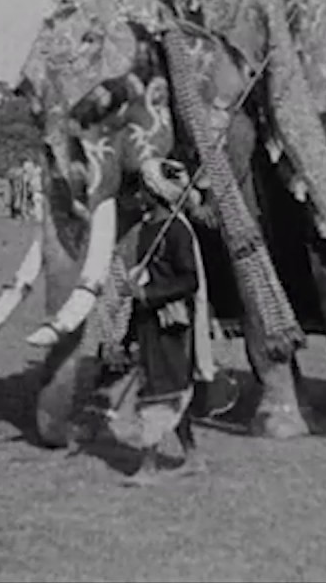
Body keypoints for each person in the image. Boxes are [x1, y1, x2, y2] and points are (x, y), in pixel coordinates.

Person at [119, 158, 216, 486]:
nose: (137, 196)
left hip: (170, 325)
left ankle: (148, 467)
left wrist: (147, 294)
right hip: (148, 324)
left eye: (142, 189)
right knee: (171, 391)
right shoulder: (147, 229)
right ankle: (193, 457)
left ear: (153, 192)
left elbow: (189, 281)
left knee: (158, 392)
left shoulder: (176, 231)